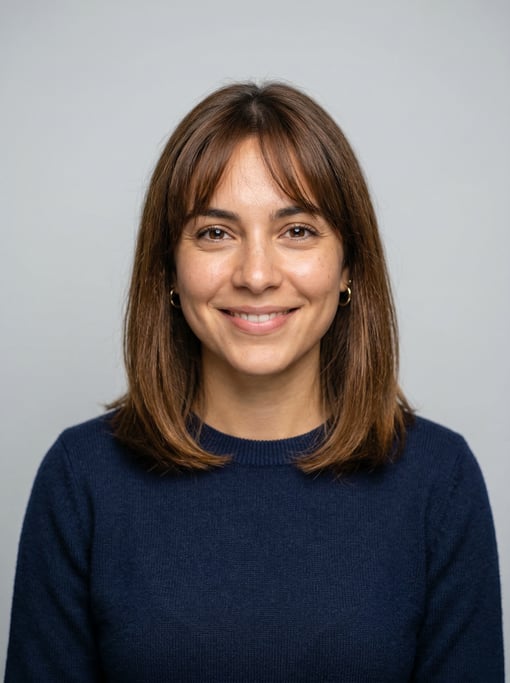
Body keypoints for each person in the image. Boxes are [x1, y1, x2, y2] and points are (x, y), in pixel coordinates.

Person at [5, 82, 504, 682]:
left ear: (348, 266)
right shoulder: (81, 476)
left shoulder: (437, 479)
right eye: (216, 233)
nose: (257, 275)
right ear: (169, 268)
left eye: (297, 231)